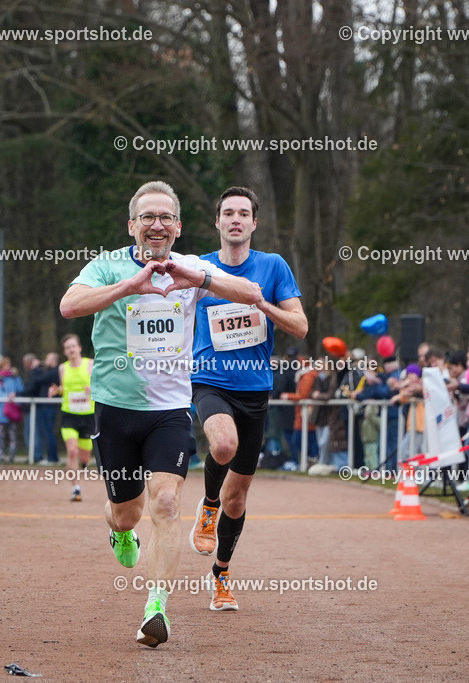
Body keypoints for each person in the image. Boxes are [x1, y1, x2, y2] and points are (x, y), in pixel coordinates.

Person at [59, 180, 262, 648]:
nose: (156, 225)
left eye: (165, 217)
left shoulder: (191, 267)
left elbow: (250, 293)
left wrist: (202, 279)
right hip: (115, 410)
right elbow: (69, 306)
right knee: (126, 516)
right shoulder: (107, 264)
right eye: (147, 217)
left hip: (169, 411)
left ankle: (156, 607)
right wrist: (131, 284)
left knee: (167, 503)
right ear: (132, 225)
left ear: (178, 227)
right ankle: (118, 531)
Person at [187, 186, 307, 611]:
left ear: (254, 223)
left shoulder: (273, 267)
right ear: (217, 222)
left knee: (240, 499)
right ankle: (207, 504)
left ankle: (220, 574)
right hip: (209, 380)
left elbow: (300, 326)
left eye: (243, 213)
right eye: (228, 213)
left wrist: (262, 304)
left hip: (255, 389)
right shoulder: (198, 268)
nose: (235, 219)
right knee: (222, 445)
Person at [48, 334, 94, 501]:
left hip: (88, 416)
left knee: (84, 456)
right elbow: (64, 388)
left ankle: (84, 464)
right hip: (69, 415)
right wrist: (56, 391)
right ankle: (76, 488)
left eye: (73, 346)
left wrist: (93, 390)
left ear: (79, 348)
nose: (71, 349)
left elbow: (103, 386)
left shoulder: (90, 364)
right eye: (68, 347)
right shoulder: (62, 368)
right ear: (64, 351)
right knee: (72, 451)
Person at [0, 357, 24, 462]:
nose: (8, 366)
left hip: (12, 411)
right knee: (0, 435)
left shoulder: (15, 378)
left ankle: (12, 455)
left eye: (9, 364)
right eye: (5, 365)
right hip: (0, 412)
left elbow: (21, 391)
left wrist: (16, 398)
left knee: (13, 434)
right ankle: (0, 455)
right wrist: (1, 401)